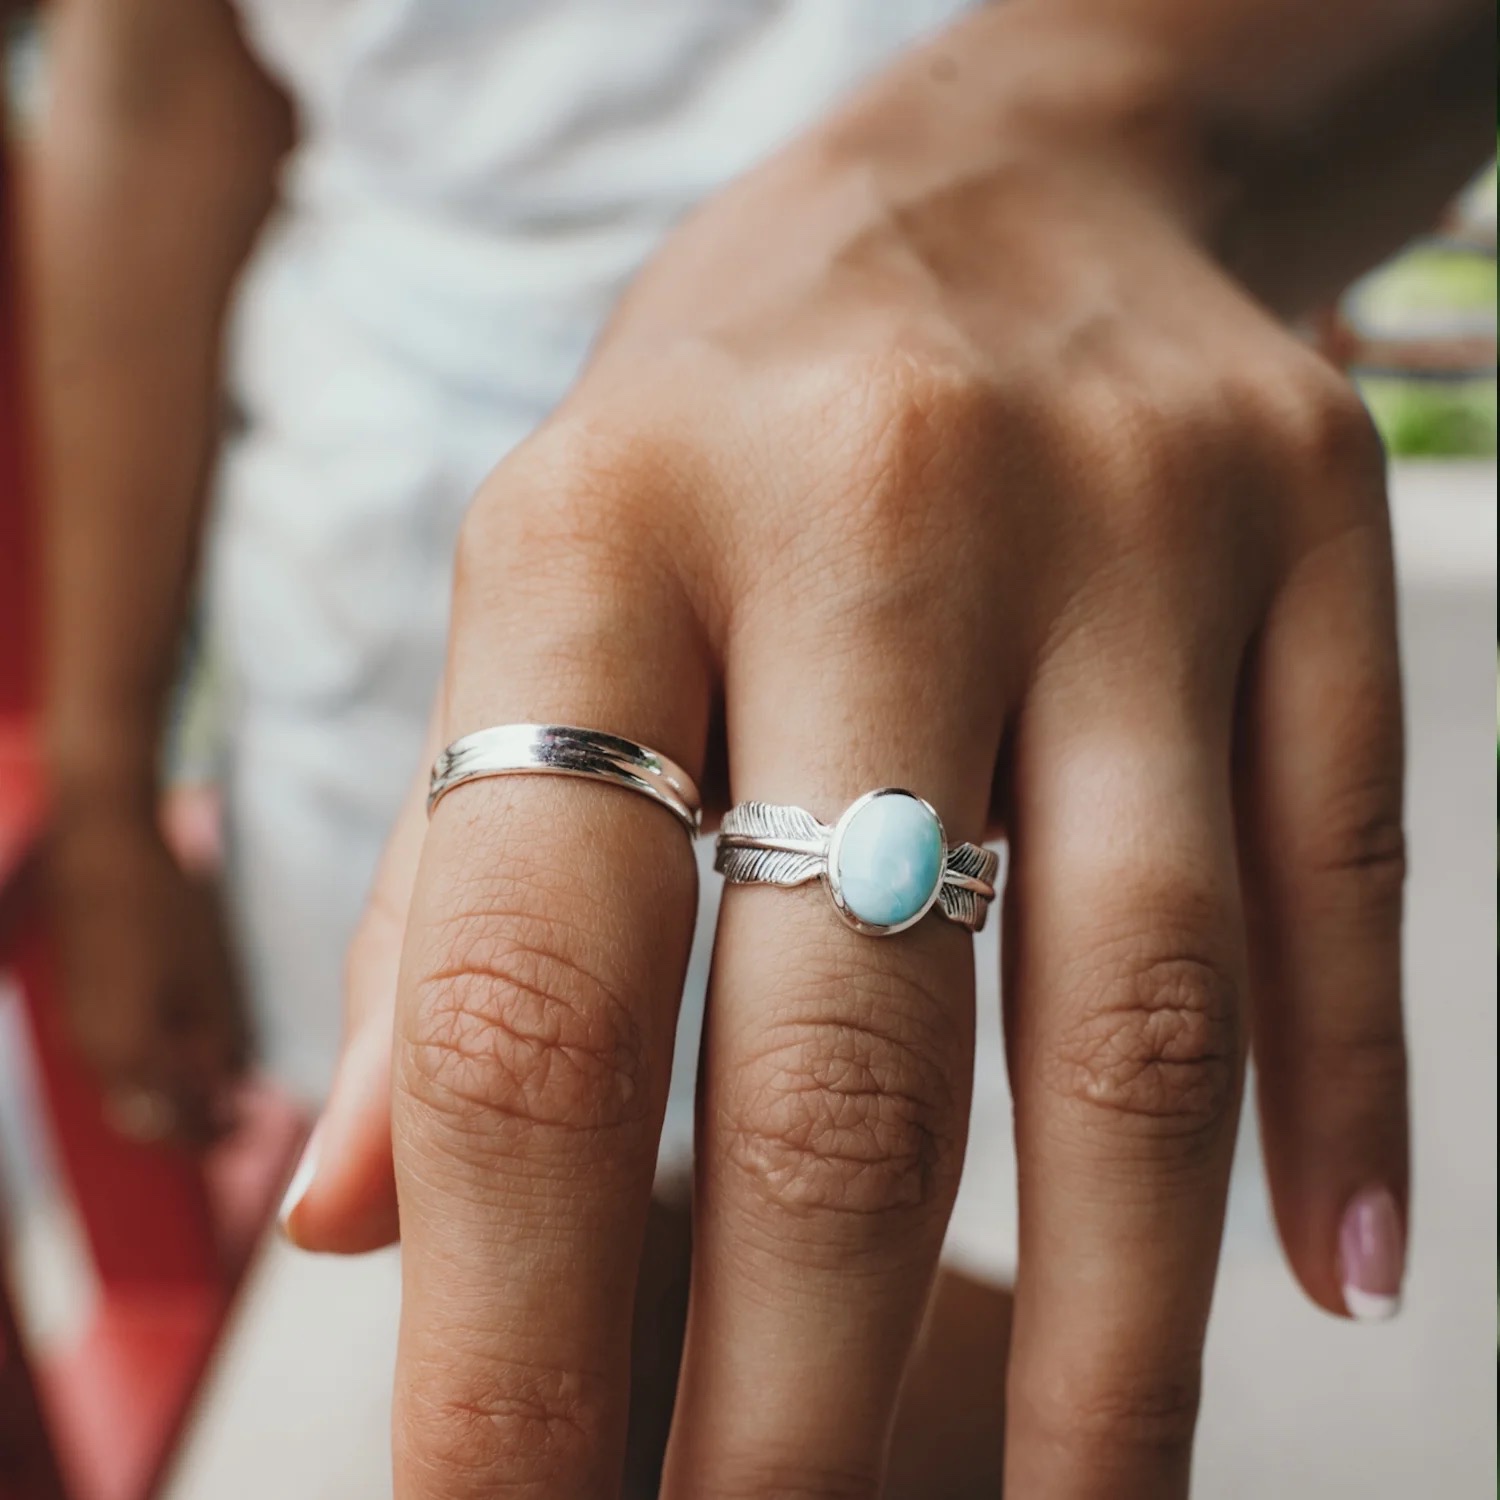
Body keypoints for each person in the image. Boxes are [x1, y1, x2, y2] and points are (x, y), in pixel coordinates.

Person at [29, 0, 1491, 1495]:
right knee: (533, 1174)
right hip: (393, 547)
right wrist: (98, 777)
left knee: (895, 1264)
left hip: (1025, 518)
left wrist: (1089, 126)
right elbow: (152, 90)